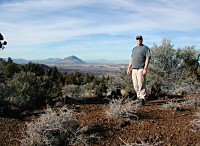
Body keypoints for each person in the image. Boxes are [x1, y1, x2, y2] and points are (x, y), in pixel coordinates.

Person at [127, 35, 151, 105]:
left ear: (142, 40)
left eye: (140, 39)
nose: (139, 40)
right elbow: (131, 59)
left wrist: (145, 68)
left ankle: (142, 98)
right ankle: (138, 97)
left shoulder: (145, 48)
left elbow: (148, 58)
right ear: (136, 40)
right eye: (137, 39)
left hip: (141, 68)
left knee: (141, 84)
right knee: (135, 85)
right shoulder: (134, 49)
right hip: (134, 69)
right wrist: (129, 68)